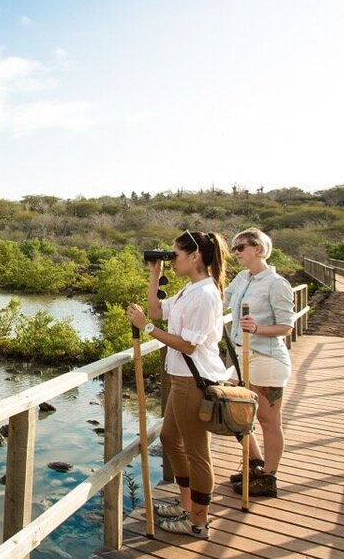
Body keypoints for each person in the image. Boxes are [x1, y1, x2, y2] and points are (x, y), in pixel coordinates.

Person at [126, 229, 232, 539]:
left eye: (176, 255)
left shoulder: (205, 294)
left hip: (194, 381)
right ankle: (187, 504)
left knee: (198, 453)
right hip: (180, 379)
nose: (172, 261)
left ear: (195, 256)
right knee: (171, 439)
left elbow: (188, 345)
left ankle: (198, 521)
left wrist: (146, 328)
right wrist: (154, 277)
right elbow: (158, 310)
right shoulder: (191, 290)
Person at [224, 227, 295, 497]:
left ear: (258, 248)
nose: (236, 253)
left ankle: (268, 477)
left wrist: (257, 329)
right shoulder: (242, 278)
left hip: (267, 358)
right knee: (234, 412)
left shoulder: (277, 283)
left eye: (240, 248)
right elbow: (221, 302)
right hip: (241, 357)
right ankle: (255, 462)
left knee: (268, 420)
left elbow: (286, 326)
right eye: (234, 249)